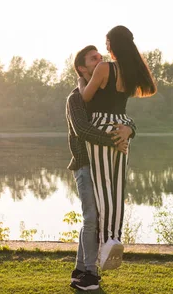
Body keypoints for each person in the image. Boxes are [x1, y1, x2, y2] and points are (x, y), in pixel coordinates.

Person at [78, 25, 156, 270]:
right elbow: (150, 88)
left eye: (106, 42)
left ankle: (106, 242)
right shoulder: (130, 72)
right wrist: (129, 127)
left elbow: (85, 98)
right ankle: (115, 237)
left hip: (102, 126)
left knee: (103, 188)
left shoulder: (104, 68)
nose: (105, 48)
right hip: (122, 125)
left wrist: (81, 80)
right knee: (117, 186)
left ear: (112, 44)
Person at [66, 44, 137, 291]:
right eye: (94, 58)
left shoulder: (100, 95)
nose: (100, 59)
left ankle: (80, 271)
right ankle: (91, 275)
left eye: (100, 56)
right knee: (91, 218)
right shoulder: (76, 98)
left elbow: (123, 119)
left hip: (104, 166)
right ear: (82, 68)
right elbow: (82, 130)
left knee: (93, 219)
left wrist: (129, 131)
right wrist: (114, 142)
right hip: (85, 165)